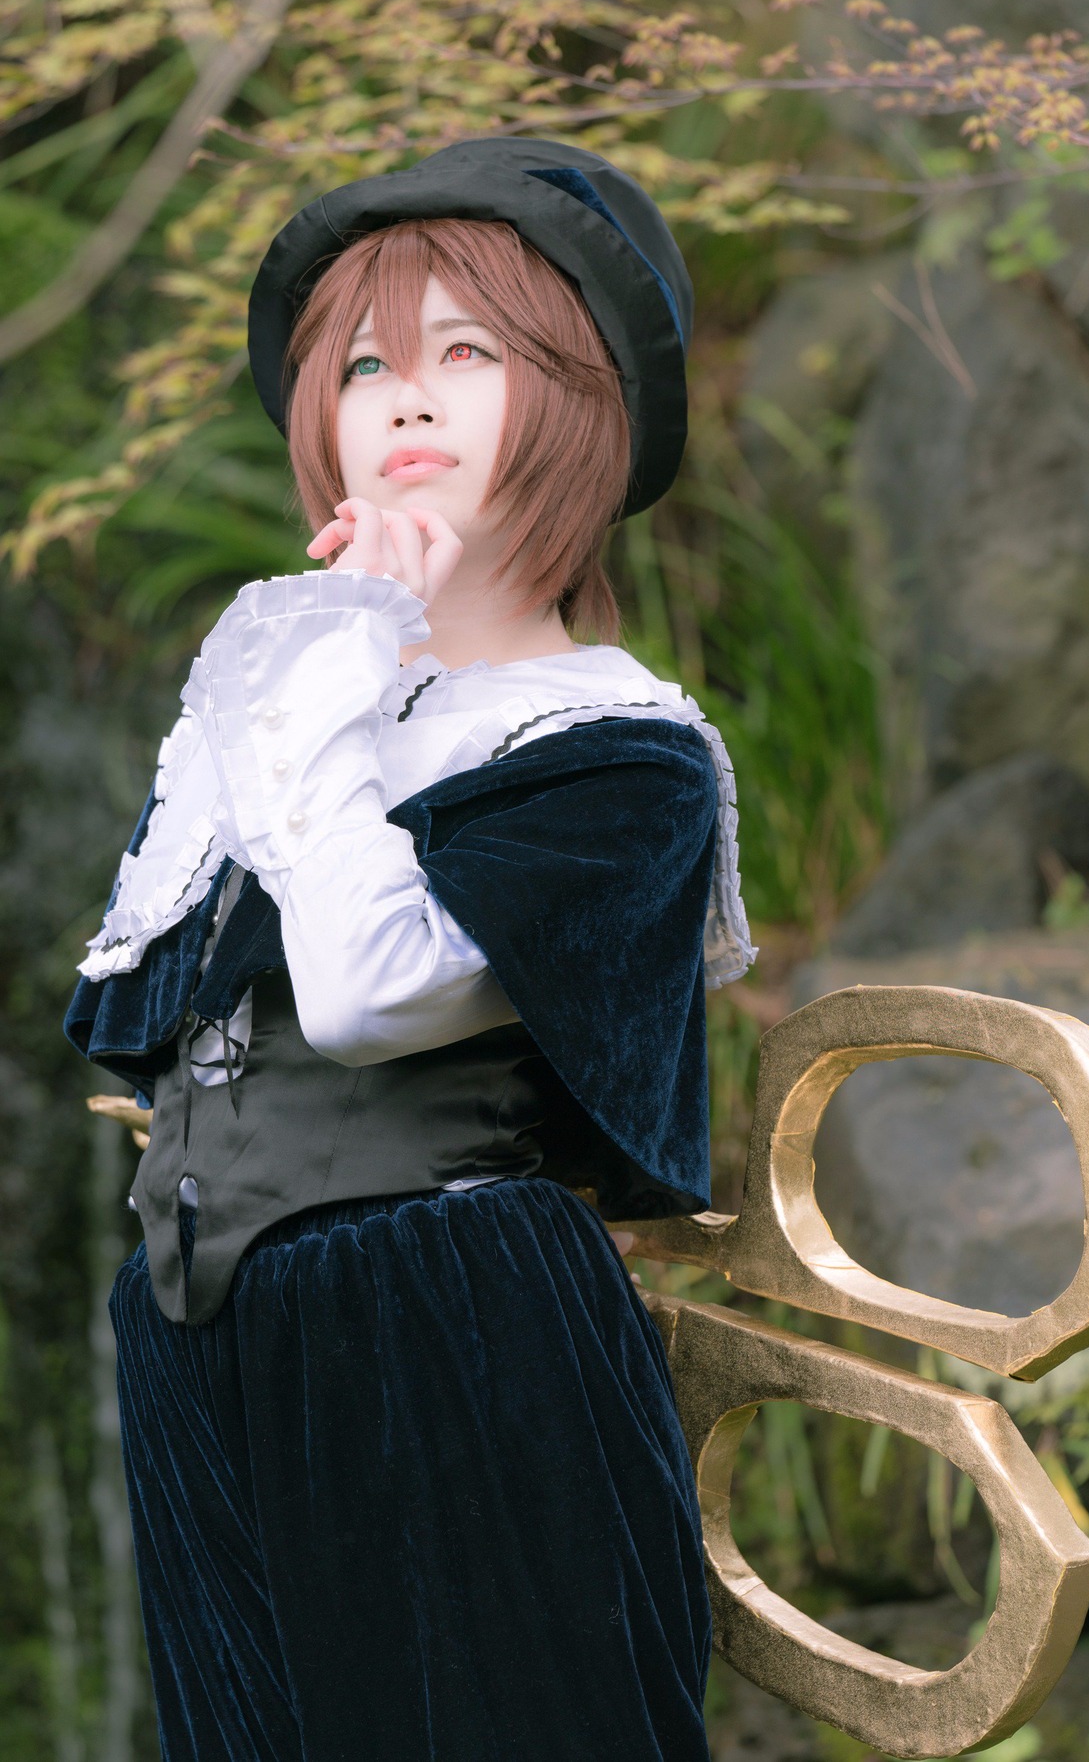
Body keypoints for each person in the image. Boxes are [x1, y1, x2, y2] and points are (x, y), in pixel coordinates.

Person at [65, 137, 755, 1762]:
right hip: (196, 1335)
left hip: (449, 1323)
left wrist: (320, 675)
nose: (408, 399)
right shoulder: (314, 688)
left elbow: (374, 992)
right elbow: (132, 1008)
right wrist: (316, 669)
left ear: (583, 404)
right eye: (369, 361)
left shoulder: (618, 751)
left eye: (471, 352)